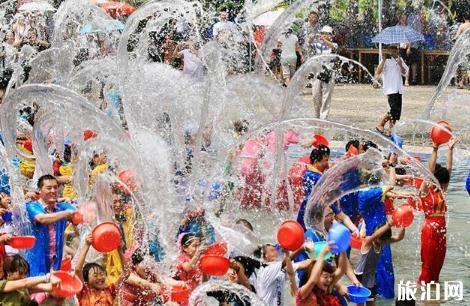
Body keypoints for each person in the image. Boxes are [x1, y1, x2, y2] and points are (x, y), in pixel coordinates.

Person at [414, 138, 456, 284]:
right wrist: (435, 149)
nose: (446, 183)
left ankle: (433, 295)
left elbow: (449, 168)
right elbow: (429, 171)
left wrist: (450, 149)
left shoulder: (442, 190)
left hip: (441, 230)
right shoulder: (426, 190)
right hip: (429, 230)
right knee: (428, 264)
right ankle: (423, 291)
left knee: (438, 265)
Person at [25, 174, 75, 276]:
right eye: (49, 188)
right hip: (37, 262)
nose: (53, 191)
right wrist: (66, 214)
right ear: (39, 190)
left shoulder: (62, 207)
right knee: (38, 291)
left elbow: (78, 214)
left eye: (55, 187)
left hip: (56, 264)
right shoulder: (32, 206)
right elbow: (42, 219)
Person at [355, 221, 405, 306]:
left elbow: (399, 237)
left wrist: (404, 225)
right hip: (360, 276)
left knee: (371, 302)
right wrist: (388, 225)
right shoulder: (368, 242)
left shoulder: (383, 242)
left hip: (371, 277)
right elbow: (375, 235)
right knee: (360, 303)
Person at [75, 234, 117, 306]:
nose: (100, 278)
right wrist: (86, 245)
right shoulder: (84, 292)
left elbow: (126, 273)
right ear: (86, 281)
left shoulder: (110, 290)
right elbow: (78, 270)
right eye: (95, 275)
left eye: (101, 274)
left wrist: (119, 249)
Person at [375, 46, 409, 136]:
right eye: (392, 51)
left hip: (398, 88)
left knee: (397, 113)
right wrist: (383, 60)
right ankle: (381, 124)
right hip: (390, 88)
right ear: (389, 51)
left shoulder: (399, 59)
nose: (394, 52)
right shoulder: (386, 60)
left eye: (395, 51)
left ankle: (390, 129)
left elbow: (405, 72)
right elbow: (378, 72)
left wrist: (400, 64)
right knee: (393, 110)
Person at [310, 25, 337, 119]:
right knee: (315, 96)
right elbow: (308, 45)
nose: (324, 35)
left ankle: (323, 118)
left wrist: (324, 39)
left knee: (326, 97)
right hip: (317, 72)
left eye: (327, 34)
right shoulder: (317, 44)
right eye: (323, 33)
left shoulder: (334, 44)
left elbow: (333, 47)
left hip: (328, 73)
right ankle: (317, 117)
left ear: (331, 35)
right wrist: (310, 38)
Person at [174, 233, 206, 305]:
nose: (197, 249)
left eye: (198, 246)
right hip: (184, 294)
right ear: (185, 248)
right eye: (194, 246)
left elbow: (204, 282)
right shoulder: (182, 258)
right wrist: (197, 255)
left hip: (196, 294)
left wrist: (205, 271)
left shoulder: (199, 260)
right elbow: (188, 268)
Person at [455, 12, 470, 89]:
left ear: (464, 18)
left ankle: (461, 83)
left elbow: (457, 37)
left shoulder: (462, 26)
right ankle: (461, 83)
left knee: (465, 66)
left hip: (465, 48)